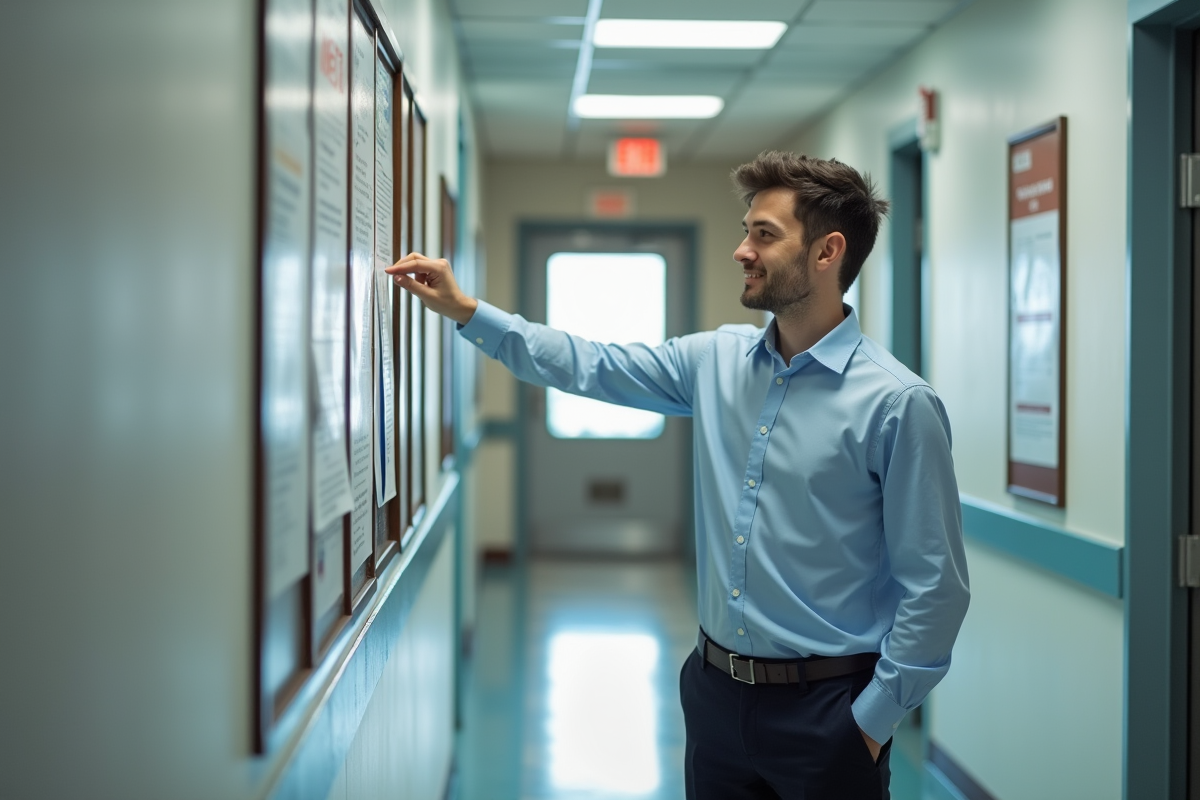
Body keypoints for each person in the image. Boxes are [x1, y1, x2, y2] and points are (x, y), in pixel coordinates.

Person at [387, 151, 969, 800]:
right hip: (716, 698)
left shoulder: (896, 404)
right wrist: (469, 312)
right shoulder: (714, 361)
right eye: (746, 229)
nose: (741, 250)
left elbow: (936, 588)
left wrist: (871, 722)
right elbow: (590, 364)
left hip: (829, 714)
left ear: (828, 253)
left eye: (764, 234)